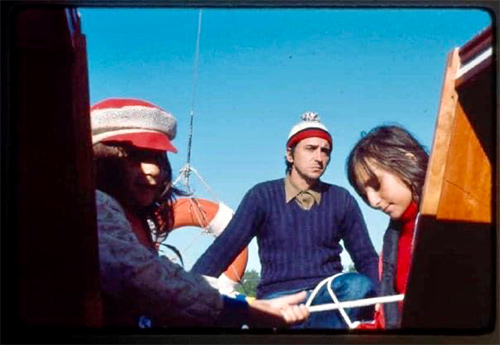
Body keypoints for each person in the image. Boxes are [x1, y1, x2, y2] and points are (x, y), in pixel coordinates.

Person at [91, 98, 309, 328]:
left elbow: (164, 275)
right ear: (102, 159)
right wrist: (241, 310)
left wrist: (246, 303)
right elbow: (139, 278)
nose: (153, 170)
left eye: (157, 157)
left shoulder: (132, 218)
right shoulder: (97, 207)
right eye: (135, 157)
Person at [191, 112, 380, 329]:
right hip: (278, 297)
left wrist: (385, 302)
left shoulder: (341, 199)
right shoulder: (262, 195)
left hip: (329, 294)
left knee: (358, 285)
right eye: (310, 148)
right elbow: (222, 250)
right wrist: (187, 291)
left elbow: (366, 257)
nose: (319, 157)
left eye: (325, 151)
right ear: (290, 155)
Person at [345, 124, 429, 329]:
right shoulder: (392, 240)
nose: (373, 202)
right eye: (365, 194)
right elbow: (390, 317)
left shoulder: (454, 217)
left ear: (409, 160)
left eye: (376, 184)